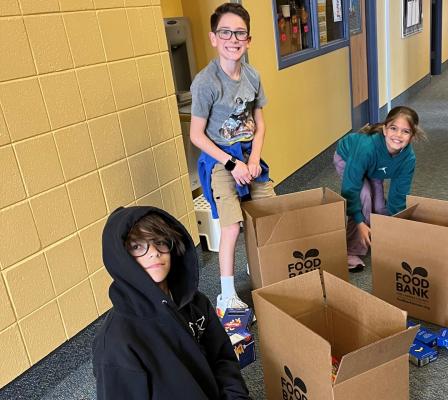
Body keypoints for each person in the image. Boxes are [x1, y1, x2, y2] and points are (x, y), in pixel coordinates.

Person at [93, 206, 250, 400]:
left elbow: (223, 360)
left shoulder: (197, 303)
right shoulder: (117, 341)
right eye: (137, 246)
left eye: (159, 242)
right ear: (121, 259)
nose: (154, 253)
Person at [189, 2, 275, 317]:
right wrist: (232, 164)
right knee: (233, 226)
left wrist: (254, 159)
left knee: (268, 216)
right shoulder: (205, 83)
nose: (233, 38)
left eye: (240, 33)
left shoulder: (252, 76)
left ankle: (264, 276)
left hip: (248, 157)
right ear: (214, 38)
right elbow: (197, 136)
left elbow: (260, 123)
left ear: (248, 39)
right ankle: (226, 295)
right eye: (225, 32)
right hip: (220, 162)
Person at [334, 106, 426, 272]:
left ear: (412, 136)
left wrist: (395, 227)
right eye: (393, 128)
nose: (398, 135)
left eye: (405, 131)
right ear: (384, 130)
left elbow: (399, 195)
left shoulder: (408, 159)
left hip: (375, 167)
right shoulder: (366, 147)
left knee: (379, 206)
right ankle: (350, 251)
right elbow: (350, 187)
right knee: (365, 197)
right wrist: (360, 221)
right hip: (348, 159)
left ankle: (377, 235)